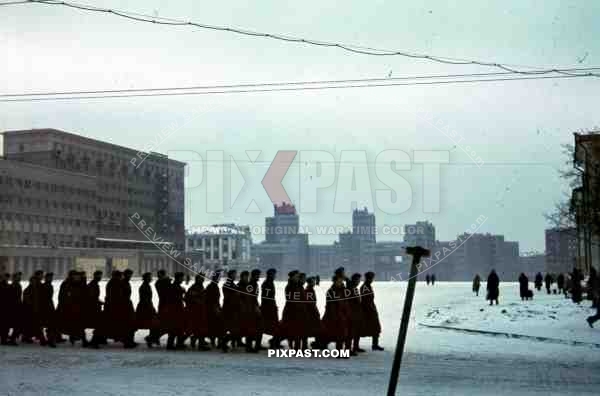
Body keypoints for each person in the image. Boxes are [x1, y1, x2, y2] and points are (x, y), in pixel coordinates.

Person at [320, 274, 351, 357]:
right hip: (334, 315)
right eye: (339, 281)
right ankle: (338, 352)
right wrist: (335, 315)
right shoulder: (331, 291)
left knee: (341, 334)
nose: (341, 282)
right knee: (336, 333)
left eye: (341, 281)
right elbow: (331, 305)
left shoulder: (342, 290)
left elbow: (345, 302)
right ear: (335, 281)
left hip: (342, 315)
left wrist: (346, 312)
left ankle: (340, 351)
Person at [184, 274, 210, 351]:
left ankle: (195, 340)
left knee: (198, 327)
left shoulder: (200, 287)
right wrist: (197, 301)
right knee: (199, 327)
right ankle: (201, 345)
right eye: (201, 278)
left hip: (200, 310)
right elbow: (188, 298)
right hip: (196, 311)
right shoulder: (194, 288)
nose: (203, 280)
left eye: (203, 278)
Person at [359, 271, 383, 351]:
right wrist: (369, 308)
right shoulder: (365, 287)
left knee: (375, 327)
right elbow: (365, 299)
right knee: (364, 327)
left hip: (370, 308)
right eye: (371, 278)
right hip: (367, 309)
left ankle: (375, 344)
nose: (372, 279)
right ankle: (373, 345)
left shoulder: (367, 286)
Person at [164, 272, 186, 350]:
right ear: (178, 278)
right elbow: (176, 298)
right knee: (175, 327)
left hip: (177, 309)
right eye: (182, 278)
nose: (183, 279)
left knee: (178, 327)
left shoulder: (175, 286)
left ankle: (177, 343)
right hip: (175, 310)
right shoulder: (175, 287)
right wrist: (182, 291)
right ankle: (173, 344)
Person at [136, 272, 159, 348]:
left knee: (152, 323)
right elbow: (146, 299)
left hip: (145, 306)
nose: (151, 278)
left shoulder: (146, 286)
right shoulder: (145, 287)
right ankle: (151, 338)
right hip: (146, 307)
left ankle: (152, 338)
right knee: (152, 323)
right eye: (149, 277)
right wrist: (151, 307)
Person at [261, 268, 280, 348]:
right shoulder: (267, 283)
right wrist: (272, 306)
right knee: (270, 325)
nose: (275, 275)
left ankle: (274, 341)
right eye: (274, 274)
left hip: (270, 306)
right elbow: (267, 297)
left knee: (272, 325)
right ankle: (274, 342)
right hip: (268, 308)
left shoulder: (269, 283)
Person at [222, 269, 241, 350]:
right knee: (231, 327)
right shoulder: (228, 284)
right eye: (234, 274)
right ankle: (224, 342)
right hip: (229, 308)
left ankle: (228, 342)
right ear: (230, 275)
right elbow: (228, 296)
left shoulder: (232, 284)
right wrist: (236, 294)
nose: (235, 276)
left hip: (233, 308)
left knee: (232, 327)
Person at [86, 271, 104, 347]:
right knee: (98, 324)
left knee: (99, 325)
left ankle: (96, 340)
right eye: (99, 276)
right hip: (93, 308)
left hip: (95, 307)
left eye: (100, 276)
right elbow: (92, 297)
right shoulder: (93, 285)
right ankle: (94, 342)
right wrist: (99, 302)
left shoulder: (94, 284)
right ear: (95, 276)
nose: (100, 277)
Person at [348, 273, 364, 355]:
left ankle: (355, 346)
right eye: (358, 280)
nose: (359, 281)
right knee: (351, 331)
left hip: (357, 312)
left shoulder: (355, 288)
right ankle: (349, 349)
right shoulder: (350, 289)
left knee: (357, 330)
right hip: (352, 312)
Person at [7, 272, 23, 344]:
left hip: (17, 307)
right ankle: (12, 338)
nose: (20, 278)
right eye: (18, 277)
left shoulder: (17, 285)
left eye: (20, 276)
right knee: (16, 324)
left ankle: (12, 338)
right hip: (14, 307)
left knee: (17, 324)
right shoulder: (13, 286)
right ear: (14, 278)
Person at [0, 273, 13, 345]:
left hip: (6, 308)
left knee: (5, 325)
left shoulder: (8, 286)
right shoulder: (4, 286)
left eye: (7, 277)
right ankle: (3, 339)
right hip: (3, 308)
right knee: (4, 324)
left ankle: (4, 338)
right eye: (6, 277)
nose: (7, 278)